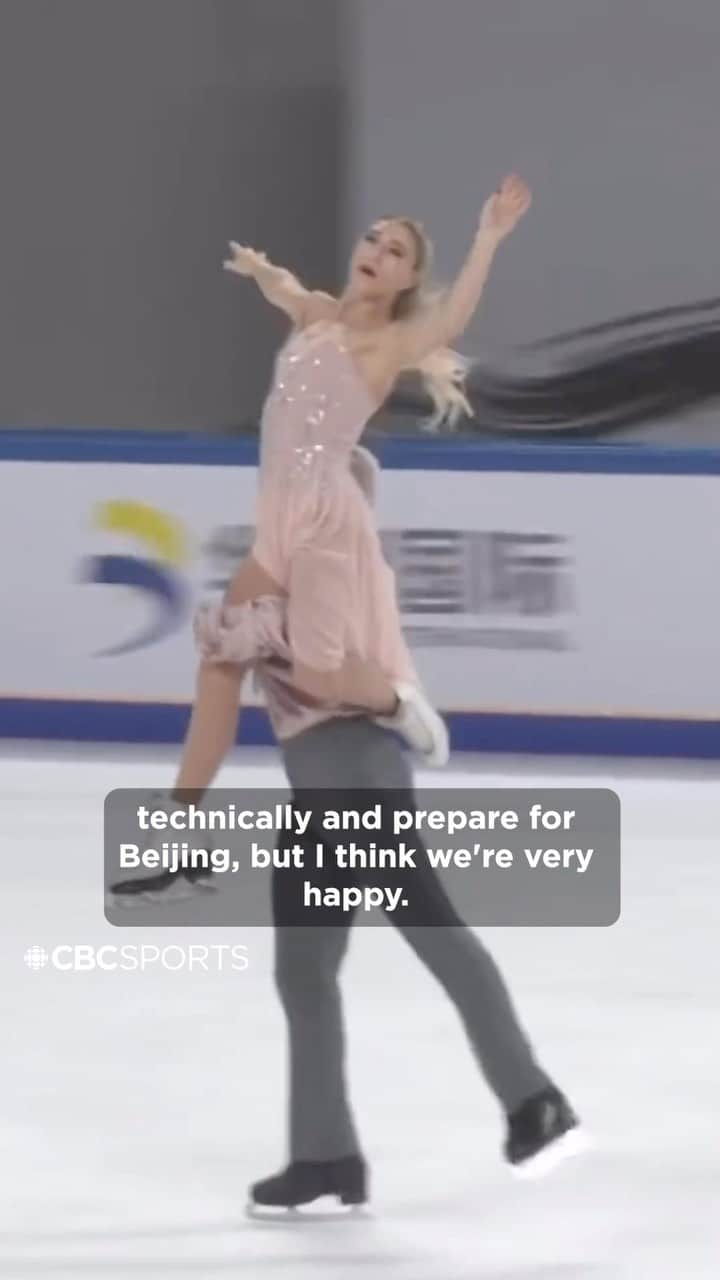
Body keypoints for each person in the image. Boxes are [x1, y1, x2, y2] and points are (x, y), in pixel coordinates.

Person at [170, 174, 531, 808]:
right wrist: (259, 270)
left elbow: (452, 318)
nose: (377, 252)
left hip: (325, 527)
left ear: (405, 281)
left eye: (396, 251)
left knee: (318, 677)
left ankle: (400, 700)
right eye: (373, 240)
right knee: (221, 658)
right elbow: (283, 287)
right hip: (277, 521)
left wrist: (489, 238)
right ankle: (178, 818)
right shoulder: (316, 313)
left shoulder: (388, 344)